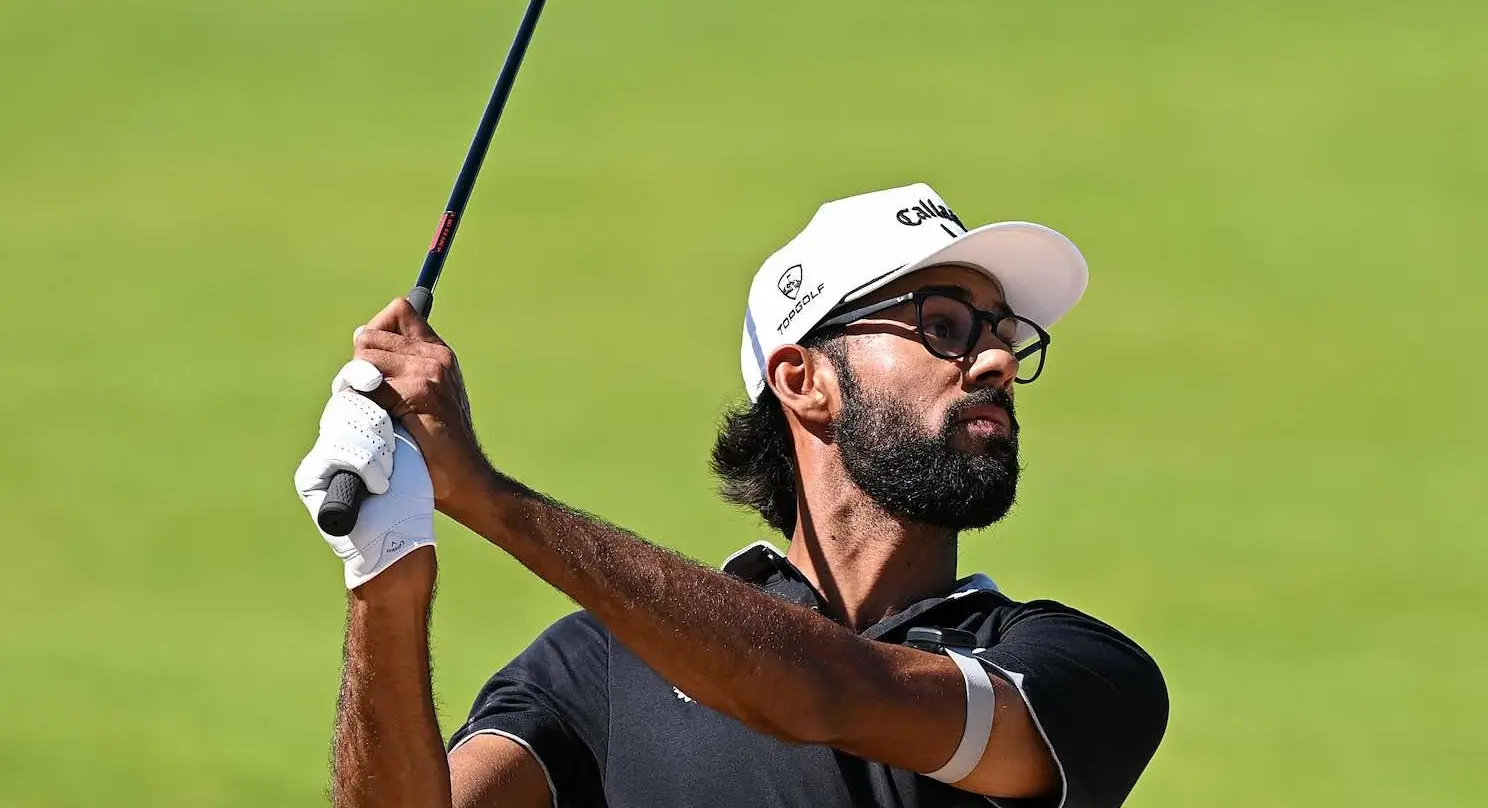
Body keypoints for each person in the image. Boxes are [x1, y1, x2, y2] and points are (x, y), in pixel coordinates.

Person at [295, 182, 1168, 808]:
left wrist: (486, 497)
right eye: (942, 326)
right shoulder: (601, 669)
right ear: (804, 380)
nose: (996, 360)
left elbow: (830, 694)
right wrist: (386, 571)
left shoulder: (1077, 673)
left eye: (1005, 335)